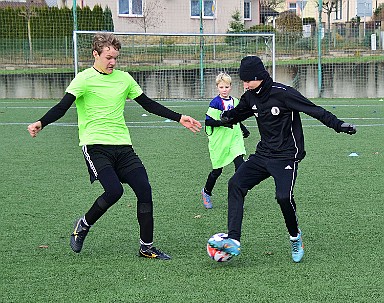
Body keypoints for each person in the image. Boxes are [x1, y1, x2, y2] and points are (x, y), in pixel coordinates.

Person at [27, 32, 201, 260]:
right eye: (108, 57)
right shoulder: (83, 79)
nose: (113, 62)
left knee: (144, 189)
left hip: (123, 146)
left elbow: (147, 104)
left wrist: (179, 117)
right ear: (95, 55)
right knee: (114, 191)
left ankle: (146, 247)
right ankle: (83, 224)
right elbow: (62, 107)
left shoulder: (124, 79)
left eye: (115, 58)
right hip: (95, 146)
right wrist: (42, 122)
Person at [209, 56, 356, 262]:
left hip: (287, 155)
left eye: (246, 80)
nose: (243, 85)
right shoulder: (250, 96)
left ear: (258, 77)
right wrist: (221, 119)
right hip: (263, 155)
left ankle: (295, 237)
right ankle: (233, 239)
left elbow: (315, 110)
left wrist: (338, 125)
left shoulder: (283, 93)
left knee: (283, 197)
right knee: (235, 184)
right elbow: (237, 114)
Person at [201, 72, 250, 209]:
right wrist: (224, 124)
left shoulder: (235, 101)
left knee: (240, 167)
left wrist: (243, 129)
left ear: (230, 87)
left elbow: (237, 118)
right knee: (217, 171)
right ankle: (206, 192)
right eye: (221, 87)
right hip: (220, 141)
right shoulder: (215, 103)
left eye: (226, 87)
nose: (224, 90)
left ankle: (238, 197)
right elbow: (208, 122)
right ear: (217, 87)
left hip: (234, 139)